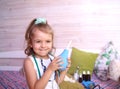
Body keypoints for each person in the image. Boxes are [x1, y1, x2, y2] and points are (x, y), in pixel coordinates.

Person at [23, 18, 71, 89]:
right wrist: (50, 69)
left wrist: (65, 70)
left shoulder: (52, 58)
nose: (43, 46)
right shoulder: (29, 62)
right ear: (30, 43)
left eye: (48, 41)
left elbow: (57, 82)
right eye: (38, 41)